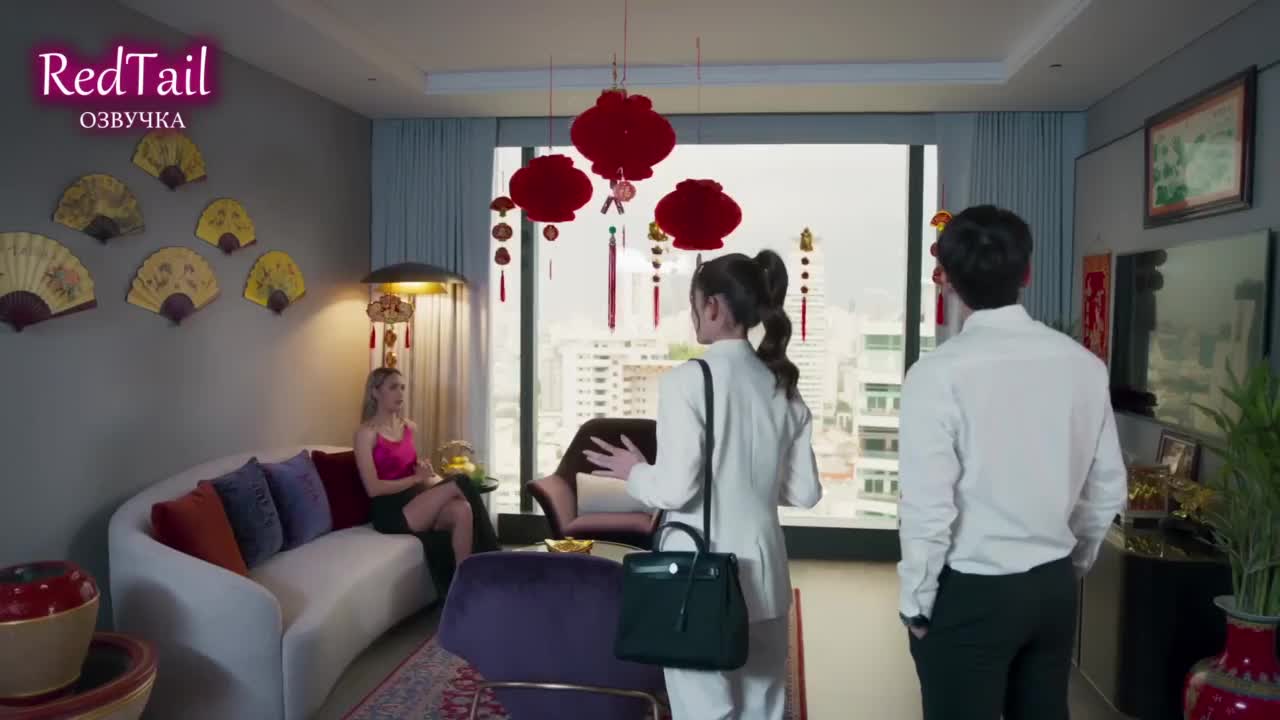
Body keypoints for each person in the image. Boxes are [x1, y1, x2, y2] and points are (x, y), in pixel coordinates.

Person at [897, 205, 1128, 720]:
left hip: (971, 591)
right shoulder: (1084, 366)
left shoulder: (937, 374)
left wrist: (916, 599)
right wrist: (1070, 565)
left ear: (947, 279)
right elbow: (1107, 488)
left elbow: (928, 505)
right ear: (1027, 273)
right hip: (1052, 589)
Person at [585, 250, 822, 720]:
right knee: (764, 710)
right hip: (768, 578)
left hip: (699, 576)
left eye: (692, 303)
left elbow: (674, 489)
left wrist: (634, 470)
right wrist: (747, 477)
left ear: (711, 305)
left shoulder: (688, 380)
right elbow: (806, 493)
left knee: (705, 710)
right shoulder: (783, 384)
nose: (692, 314)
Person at [354, 367, 500, 593]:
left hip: (416, 500)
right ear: (375, 392)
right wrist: (417, 479)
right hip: (391, 511)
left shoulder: (409, 427)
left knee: (462, 509)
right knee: (460, 480)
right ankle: (496, 562)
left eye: (403, 387)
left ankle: (463, 587)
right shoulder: (366, 433)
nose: (400, 393)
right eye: (393, 387)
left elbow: (417, 474)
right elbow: (373, 489)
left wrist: (429, 476)